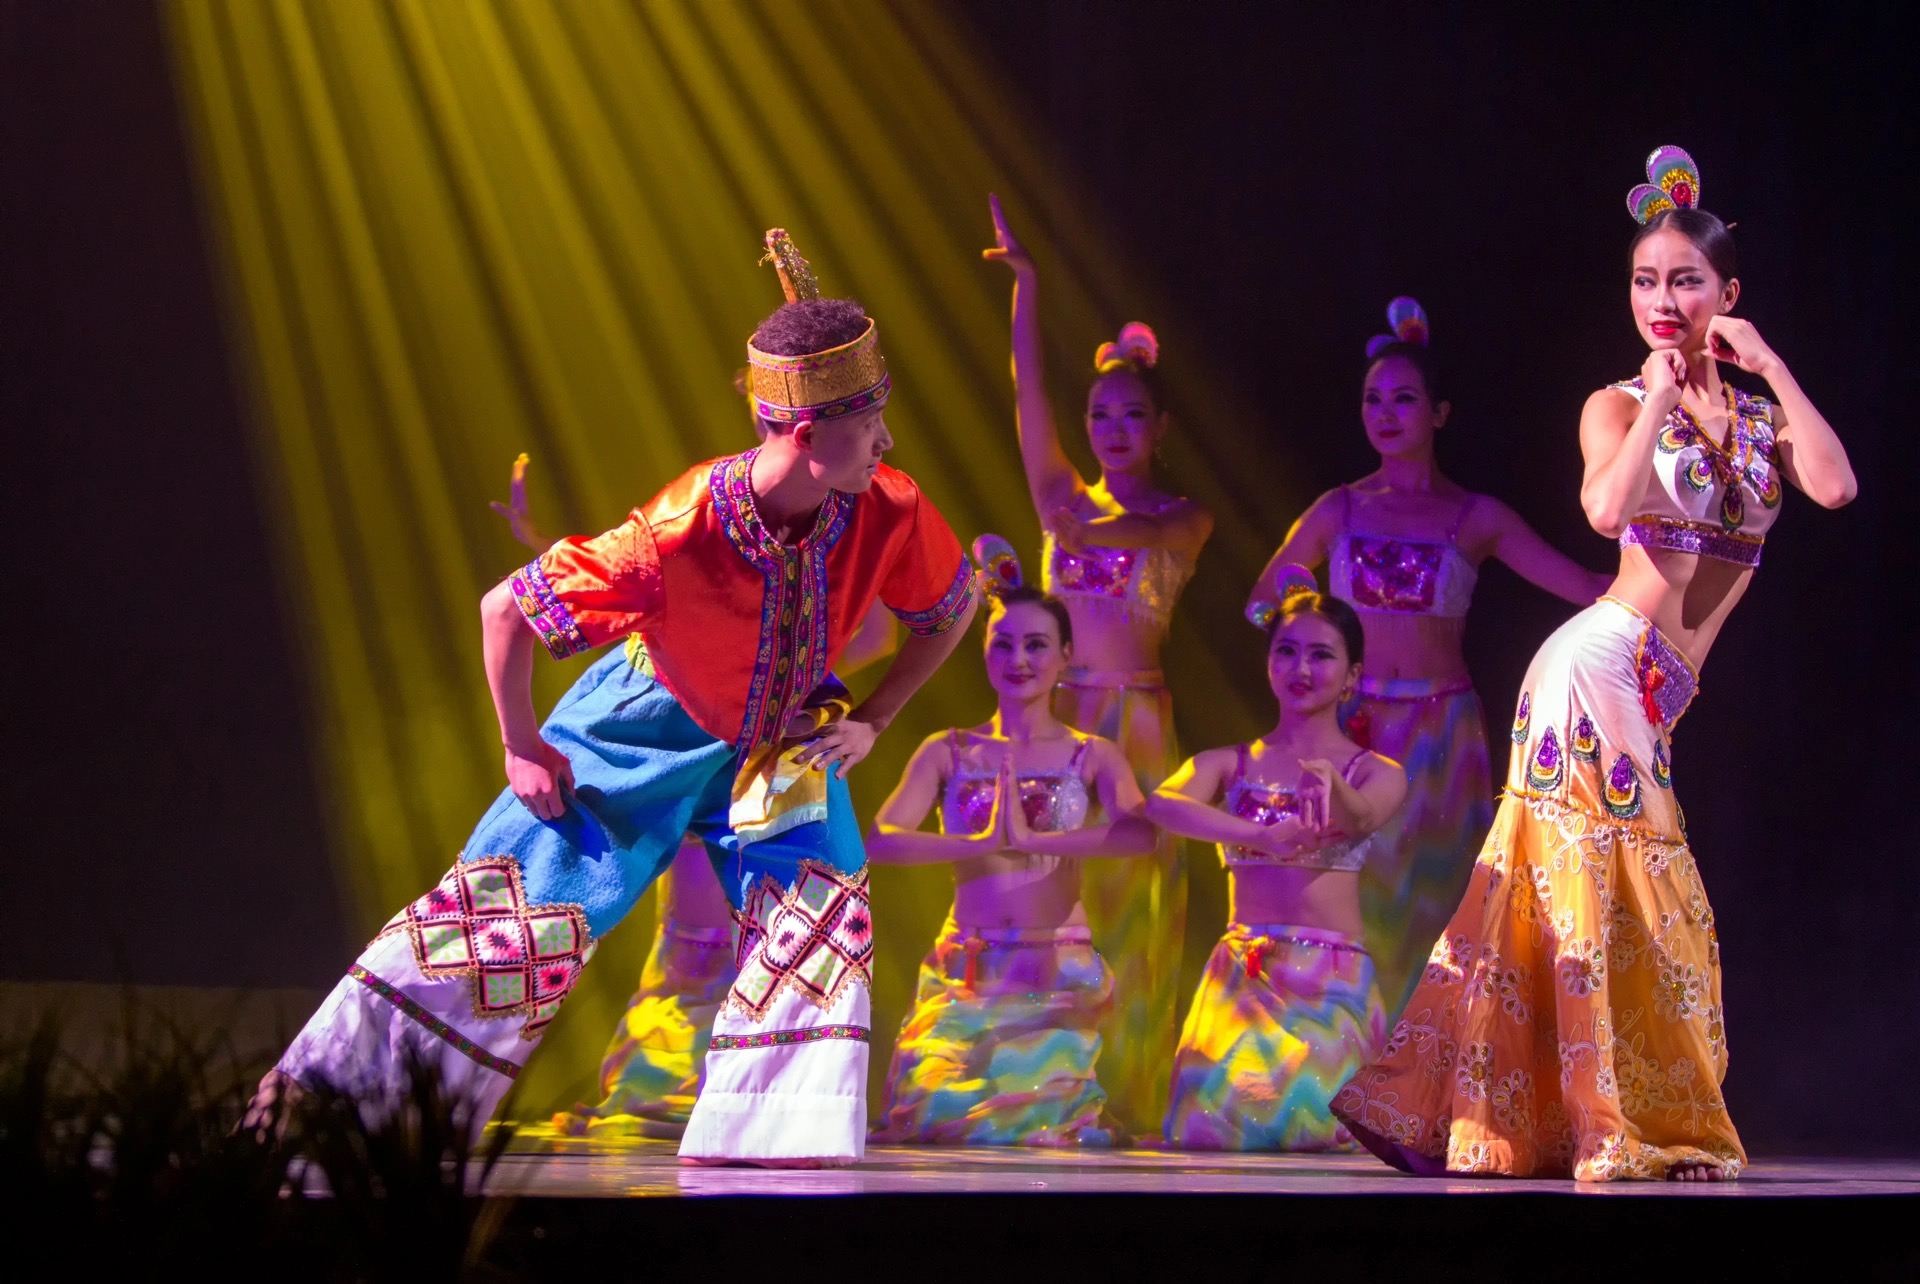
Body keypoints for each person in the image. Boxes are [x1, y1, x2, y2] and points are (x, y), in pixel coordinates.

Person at [247, 230, 979, 1168]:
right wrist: (521, 746)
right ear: (805, 436)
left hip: (783, 738)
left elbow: (947, 613)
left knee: (819, 923)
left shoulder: (891, 506)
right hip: (646, 725)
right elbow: (506, 608)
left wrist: (873, 717)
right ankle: (318, 1125)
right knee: (509, 927)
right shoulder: (677, 532)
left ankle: (778, 1162)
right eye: (870, 421)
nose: (887, 439)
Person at [1333, 146, 1856, 1181]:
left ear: (1729, 293)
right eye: (1645, 281)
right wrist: (1661, 397)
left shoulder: (1760, 421)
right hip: (1596, 667)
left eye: (1687, 280)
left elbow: (1836, 489)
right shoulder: (1614, 405)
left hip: (1663, 689)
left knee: (1601, 901)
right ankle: (1618, 1126)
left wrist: (1772, 368)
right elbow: (1606, 511)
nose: (1663, 300)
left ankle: (1582, 1118)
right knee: (1630, 899)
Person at [494, 449, 899, 1142]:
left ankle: (765, 1120)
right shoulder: (708, 512)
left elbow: (883, 631)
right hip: (670, 725)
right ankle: (663, 1088)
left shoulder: (857, 517)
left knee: (788, 923)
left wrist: (784, 670)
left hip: (777, 735)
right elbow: (570, 600)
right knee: (680, 925)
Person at [1249, 299, 1611, 1016]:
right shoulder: (1340, 510)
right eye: (1372, 400)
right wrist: (1308, 639)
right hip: (1356, 734)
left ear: (1439, 413)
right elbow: (1264, 599)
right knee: (1354, 897)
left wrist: (1669, 572)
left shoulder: (1474, 516)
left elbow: (1585, 588)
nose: (1385, 413)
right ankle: (1353, 1063)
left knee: (1444, 906)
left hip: (1444, 739)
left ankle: (1436, 1078)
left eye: (1404, 398)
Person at [982, 194, 1214, 1132]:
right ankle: (1039, 1086)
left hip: (1140, 722)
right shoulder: (1057, 498)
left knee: (1132, 905)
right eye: (1099, 415)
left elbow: (1160, 529)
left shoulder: (1183, 516)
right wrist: (1028, 290)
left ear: (1158, 428)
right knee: (1043, 891)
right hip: (1060, 719)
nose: (1111, 427)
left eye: (1130, 415)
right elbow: (1024, 394)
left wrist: (1096, 522)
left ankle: (1128, 1090)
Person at [868, 541, 1155, 1145]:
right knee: (939, 1119)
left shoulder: (1091, 754)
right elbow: (883, 839)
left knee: (1038, 1128)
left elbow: (1138, 831)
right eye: (1003, 643)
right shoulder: (948, 748)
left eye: (1036, 644)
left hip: (1050, 971)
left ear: (1066, 656)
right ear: (984, 651)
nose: (1019, 658)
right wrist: (977, 844)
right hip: (967, 967)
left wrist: (1055, 840)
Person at [1149, 589, 1406, 1150]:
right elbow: (1163, 804)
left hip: (1331, 985)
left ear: (1351, 675)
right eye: (1286, 652)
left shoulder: (1376, 771)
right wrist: (1257, 834)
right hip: (1245, 973)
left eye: (1321, 655)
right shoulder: (1230, 762)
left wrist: (1335, 786)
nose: (1301, 668)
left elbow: (1363, 818)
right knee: (1215, 1132)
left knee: (1322, 1134)